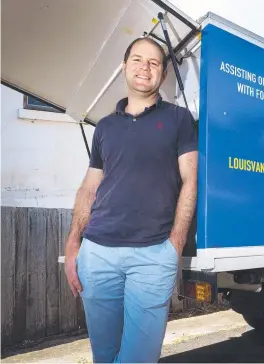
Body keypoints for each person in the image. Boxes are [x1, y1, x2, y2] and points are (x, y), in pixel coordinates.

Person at [63, 36, 198, 363]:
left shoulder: (179, 119)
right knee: (105, 356)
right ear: (124, 67)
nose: (145, 67)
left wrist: (175, 244)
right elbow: (89, 187)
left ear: (163, 74)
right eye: (137, 59)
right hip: (97, 255)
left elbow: (190, 179)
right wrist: (73, 244)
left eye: (154, 62)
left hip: (152, 256)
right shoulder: (105, 127)